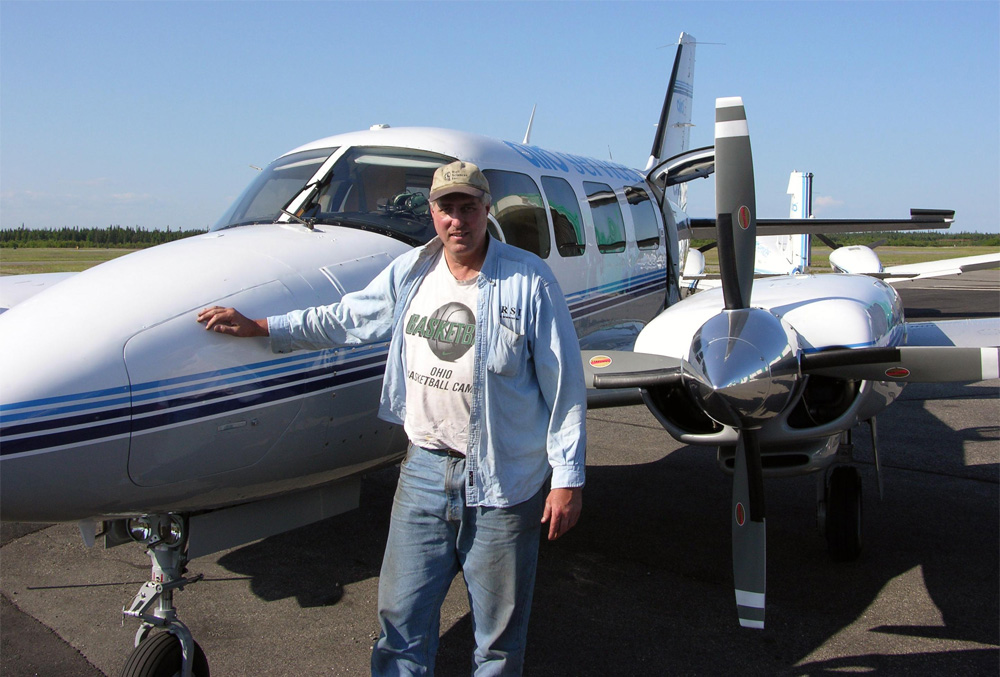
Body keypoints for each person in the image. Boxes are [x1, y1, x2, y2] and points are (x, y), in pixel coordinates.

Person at [197, 160, 586, 675]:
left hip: (504, 481)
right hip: (424, 470)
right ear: (432, 213)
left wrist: (567, 479)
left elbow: (565, 387)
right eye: (446, 208)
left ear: (485, 210)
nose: (457, 220)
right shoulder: (413, 272)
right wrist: (264, 327)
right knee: (400, 621)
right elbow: (349, 318)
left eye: (468, 207)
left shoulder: (528, 281)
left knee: (497, 637)